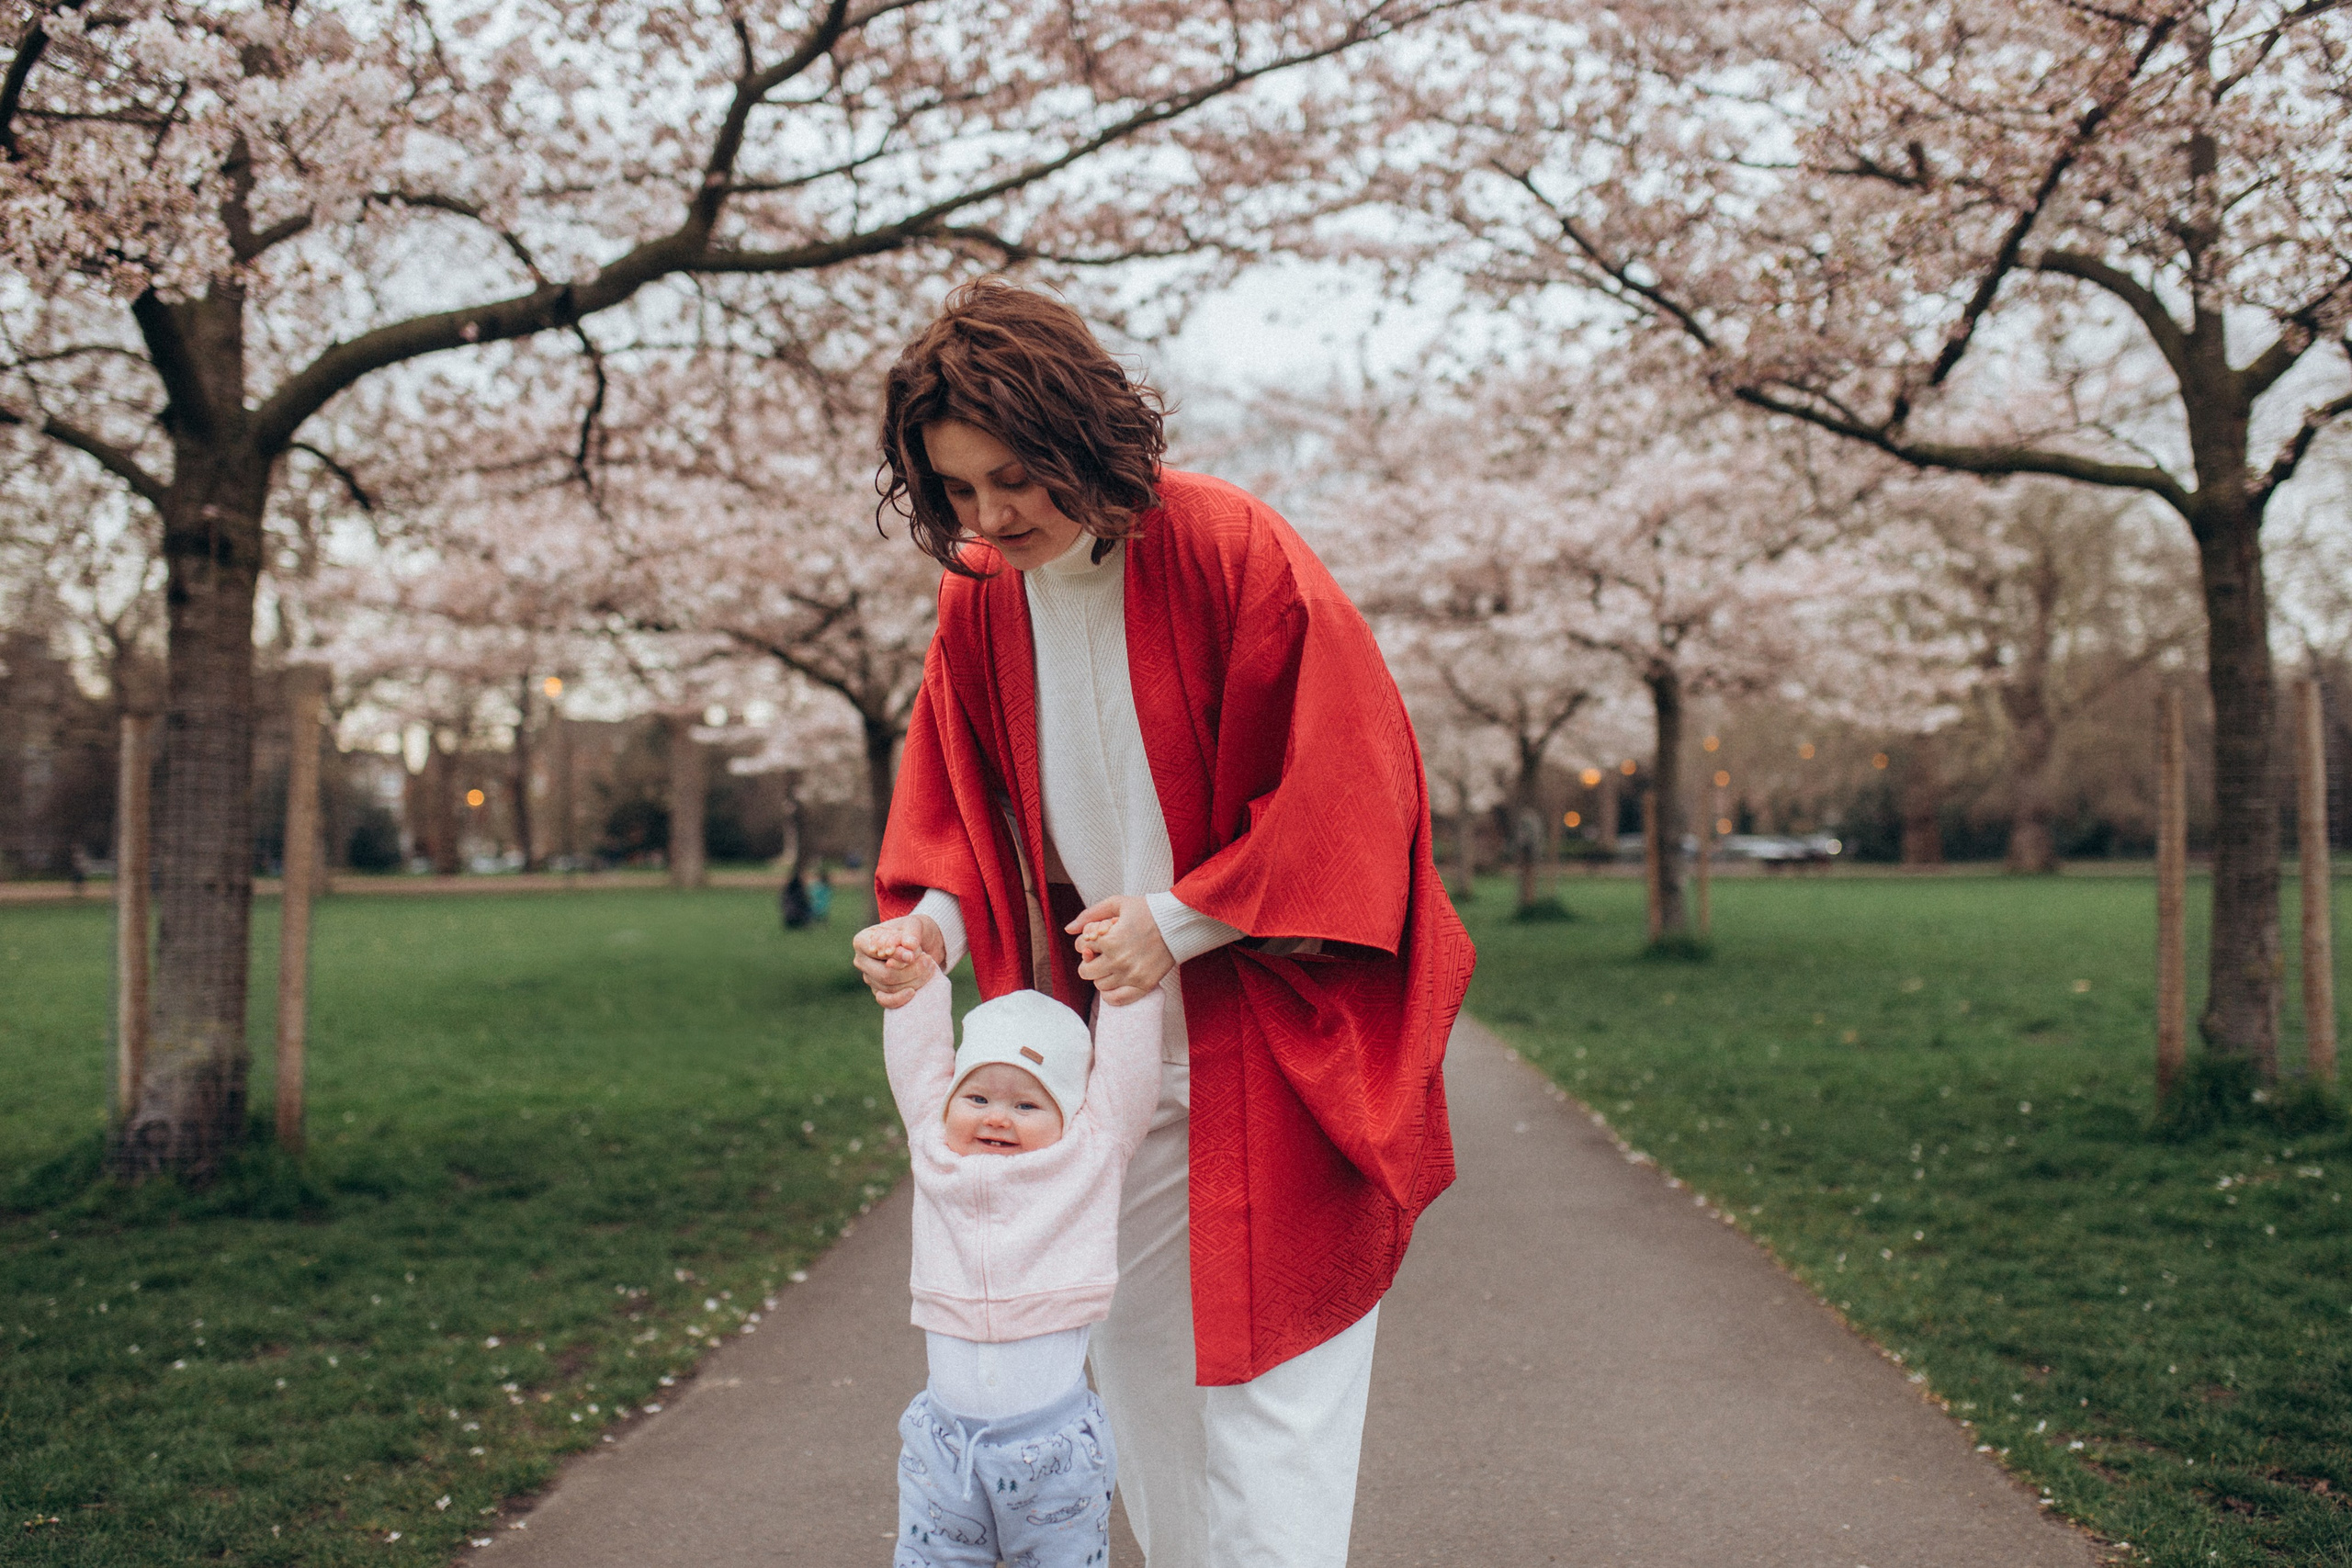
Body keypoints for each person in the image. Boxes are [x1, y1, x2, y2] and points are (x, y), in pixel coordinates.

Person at [854, 279, 1475, 1568]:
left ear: (1083, 436)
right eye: (958, 490)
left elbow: (1351, 786)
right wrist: (930, 934)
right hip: (1097, 1059)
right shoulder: (981, 594)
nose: (989, 516)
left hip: (1271, 1030)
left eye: (1015, 476)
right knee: (1130, 1368)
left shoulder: (1228, 546)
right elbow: (960, 811)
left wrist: (1186, 919)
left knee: (1266, 1399)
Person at [875, 938, 1164, 1567]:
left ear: (1066, 1114)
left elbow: (1128, 1081)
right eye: (977, 1097)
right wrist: (914, 982)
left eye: (1026, 1103)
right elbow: (919, 1063)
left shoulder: (1088, 1157)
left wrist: (1127, 987)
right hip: (943, 1446)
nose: (997, 1117)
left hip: (1053, 1453)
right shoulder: (937, 1150)